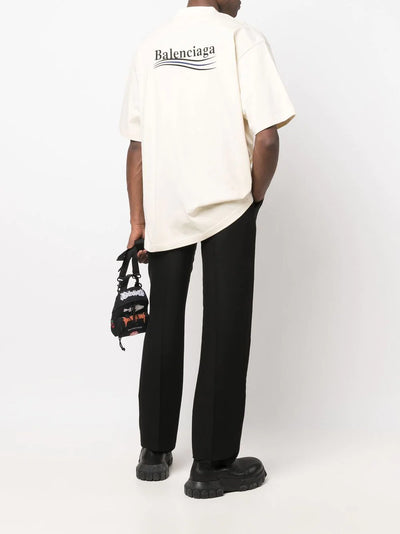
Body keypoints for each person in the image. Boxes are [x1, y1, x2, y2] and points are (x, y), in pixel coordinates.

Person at [119, 0, 295, 499]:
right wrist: (254, 197)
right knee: (225, 327)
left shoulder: (151, 46)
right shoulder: (241, 39)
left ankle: (154, 451)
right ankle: (212, 465)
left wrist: (138, 222)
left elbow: (137, 146)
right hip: (227, 205)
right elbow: (267, 138)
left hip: (165, 207)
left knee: (163, 322)